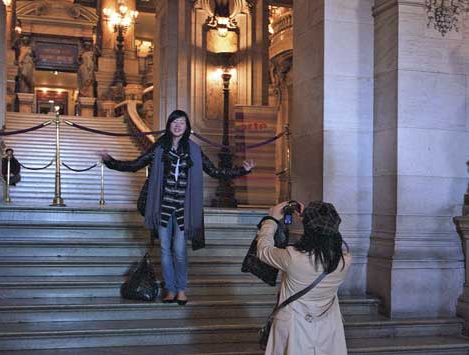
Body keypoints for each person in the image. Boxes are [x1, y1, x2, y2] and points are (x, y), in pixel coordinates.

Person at [99, 110, 256, 305]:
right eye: (174, 122)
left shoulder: (194, 150)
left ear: (187, 126)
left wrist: (241, 170)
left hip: (183, 209)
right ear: (169, 124)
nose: (178, 126)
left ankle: (181, 289)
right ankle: (170, 289)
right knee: (165, 250)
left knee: (179, 250)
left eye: (182, 122)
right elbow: (135, 164)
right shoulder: (160, 147)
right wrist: (110, 162)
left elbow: (215, 171)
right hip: (162, 208)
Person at [255, 201, 352, 355]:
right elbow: (324, 234)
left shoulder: (293, 257)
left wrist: (271, 219)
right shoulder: (345, 261)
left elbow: (263, 250)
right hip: (327, 325)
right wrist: (309, 218)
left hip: (293, 324)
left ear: (306, 227)